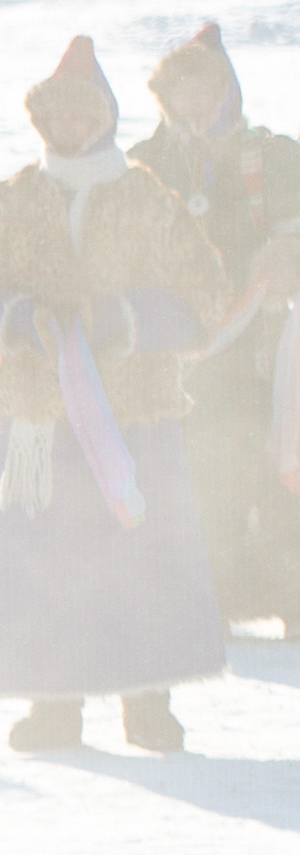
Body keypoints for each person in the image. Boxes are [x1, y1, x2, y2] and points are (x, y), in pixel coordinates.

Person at [4, 40, 234, 754]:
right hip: (39, 414)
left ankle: (147, 699)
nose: (69, 126)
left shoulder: (145, 195)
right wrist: (18, 319)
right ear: (40, 121)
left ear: (104, 117)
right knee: (44, 559)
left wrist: (126, 323)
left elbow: (208, 297)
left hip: (136, 413)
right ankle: (54, 703)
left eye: (83, 112)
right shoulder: (14, 200)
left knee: (142, 554)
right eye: (56, 114)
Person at [134, 22, 300, 641]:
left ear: (228, 88)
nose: (194, 102)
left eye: (205, 87)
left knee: (281, 461)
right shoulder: (146, 164)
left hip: (260, 339)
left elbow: (296, 240)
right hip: (179, 344)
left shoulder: (274, 155)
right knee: (199, 470)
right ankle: (211, 596)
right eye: (181, 90)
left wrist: (281, 263)